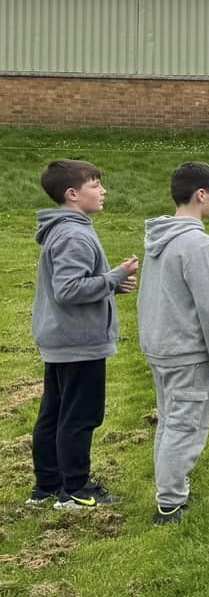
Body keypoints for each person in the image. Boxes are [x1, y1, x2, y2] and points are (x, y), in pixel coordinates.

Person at [30, 160, 137, 509]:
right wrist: (113, 277)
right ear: (73, 194)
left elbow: (73, 285)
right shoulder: (74, 234)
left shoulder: (64, 230)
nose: (103, 191)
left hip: (63, 338)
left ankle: (47, 487)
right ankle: (76, 490)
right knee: (80, 416)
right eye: (95, 184)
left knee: (56, 413)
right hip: (78, 342)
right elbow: (69, 289)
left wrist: (109, 286)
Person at [139, 162, 209, 523]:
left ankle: (169, 489)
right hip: (186, 352)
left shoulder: (159, 235)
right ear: (201, 194)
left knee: (169, 419)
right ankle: (170, 500)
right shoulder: (198, 243)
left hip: (160, 346)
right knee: (185, 425)